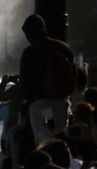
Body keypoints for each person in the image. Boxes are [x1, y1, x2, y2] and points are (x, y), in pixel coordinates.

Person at [19, 14, 75, 144]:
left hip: (42, 103)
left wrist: (32, 99)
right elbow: (73, 75)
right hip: (62, 102)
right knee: (61, 134)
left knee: (44, 133)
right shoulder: (63, 48)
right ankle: (62, 159)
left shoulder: (29, 52)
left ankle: (48, 158)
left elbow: (25, 83)